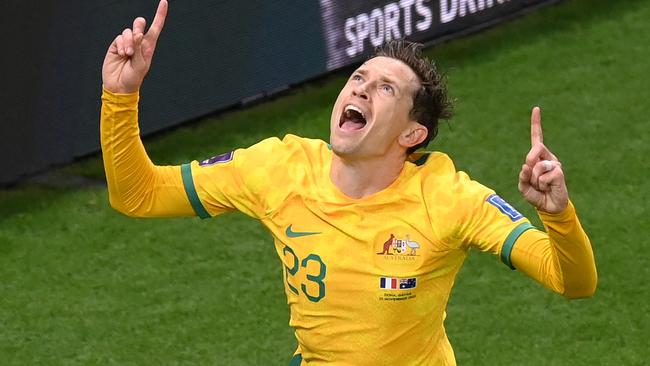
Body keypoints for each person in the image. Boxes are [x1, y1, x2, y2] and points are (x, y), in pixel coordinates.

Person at [100, 1, 597, 365]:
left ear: (412, 133)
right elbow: (137, 196)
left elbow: (573, 282)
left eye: (385, 88)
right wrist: (120, 98)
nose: (360, 87)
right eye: (359, 77)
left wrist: (557, 213)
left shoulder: (449, 199)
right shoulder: (279, 167)